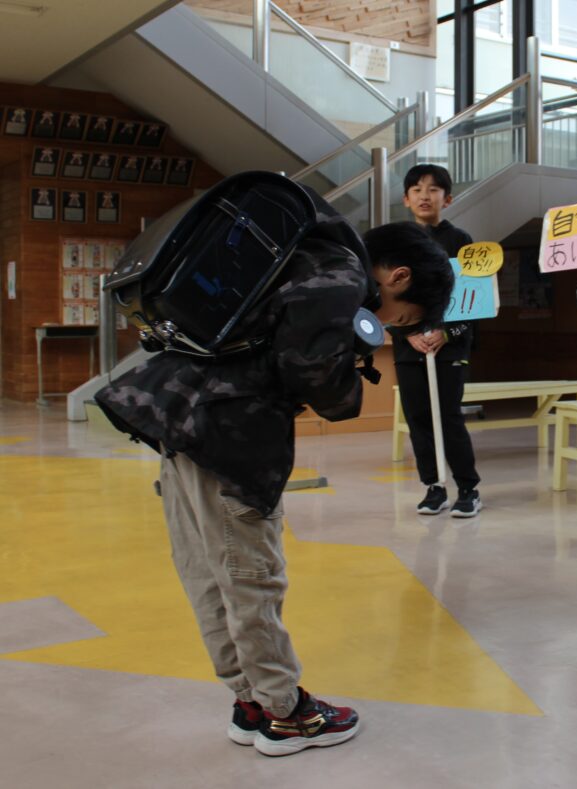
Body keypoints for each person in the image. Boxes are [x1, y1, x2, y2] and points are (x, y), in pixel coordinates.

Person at [95, 209, 454, 756]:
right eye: (400, 318)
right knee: (251, 578)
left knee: (208, 573)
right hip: (232, 441)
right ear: (399, 276)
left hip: (183, 424)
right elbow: (318, 378)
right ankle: (286, 714)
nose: (386, 326)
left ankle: (250, 700)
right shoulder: (339, 274)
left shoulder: (296, 256)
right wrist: (350, 373)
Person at [393, 164, 482, 517]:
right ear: (406, 199)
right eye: (417, 189)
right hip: (408, 346)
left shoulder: (460, 241)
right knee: (417, 417)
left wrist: (447, 333)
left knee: (448, 415)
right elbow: (384, 298)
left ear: (448, 199)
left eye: (433, 189)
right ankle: (433, 486)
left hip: (450, 346)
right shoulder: (395, 244)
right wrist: (408, 333)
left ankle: (468, 488)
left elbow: (473, 299)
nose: (424, 196)